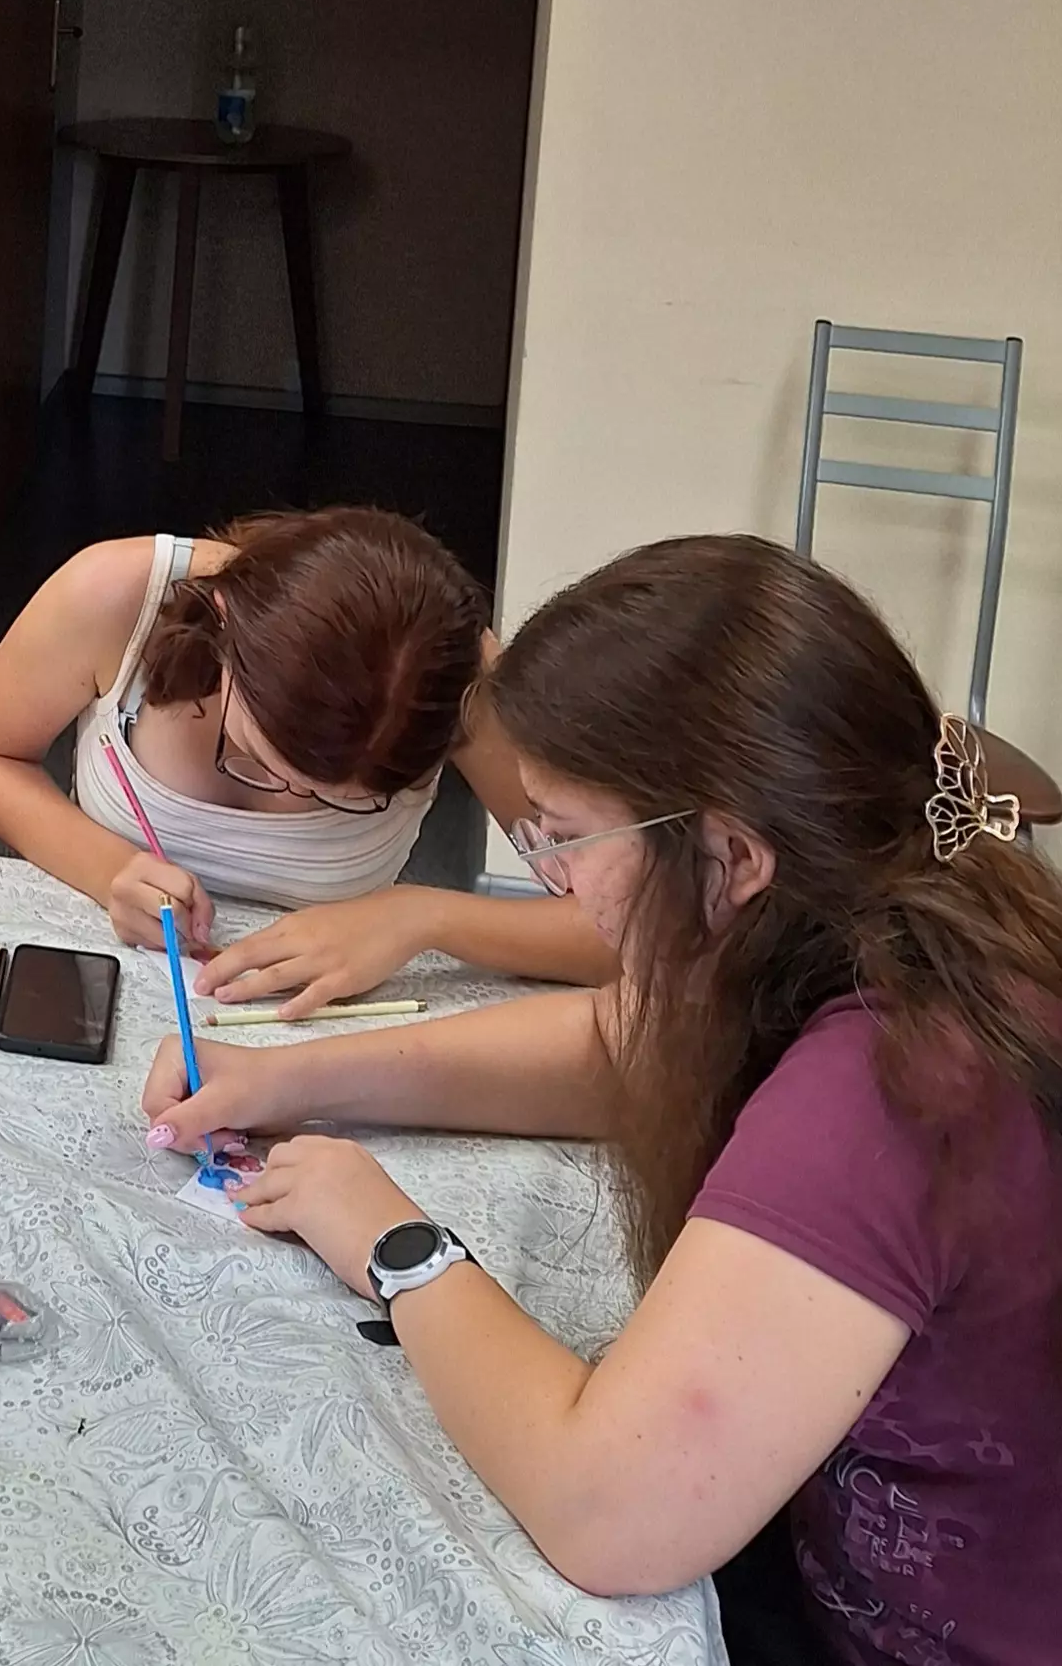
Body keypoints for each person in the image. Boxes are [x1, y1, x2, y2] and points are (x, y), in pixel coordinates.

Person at [143, 536, 1061, 1663]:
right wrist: (293, 1075)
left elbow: (608, 1511)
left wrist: (396, 1243)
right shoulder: (885, 921)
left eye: (570, 838)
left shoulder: (892, 1086)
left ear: (731, 857)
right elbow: (631, 1046)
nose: (558, 878)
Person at [0, 512, 615, 1015]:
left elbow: (625, 930)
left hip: (314, 1034)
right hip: (99, 987)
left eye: (344, 800)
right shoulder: (119, 595)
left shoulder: (460, 684)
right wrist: (109, 869)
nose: (287, 795)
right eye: (251, 756)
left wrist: (419, 916)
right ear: (224, 623)